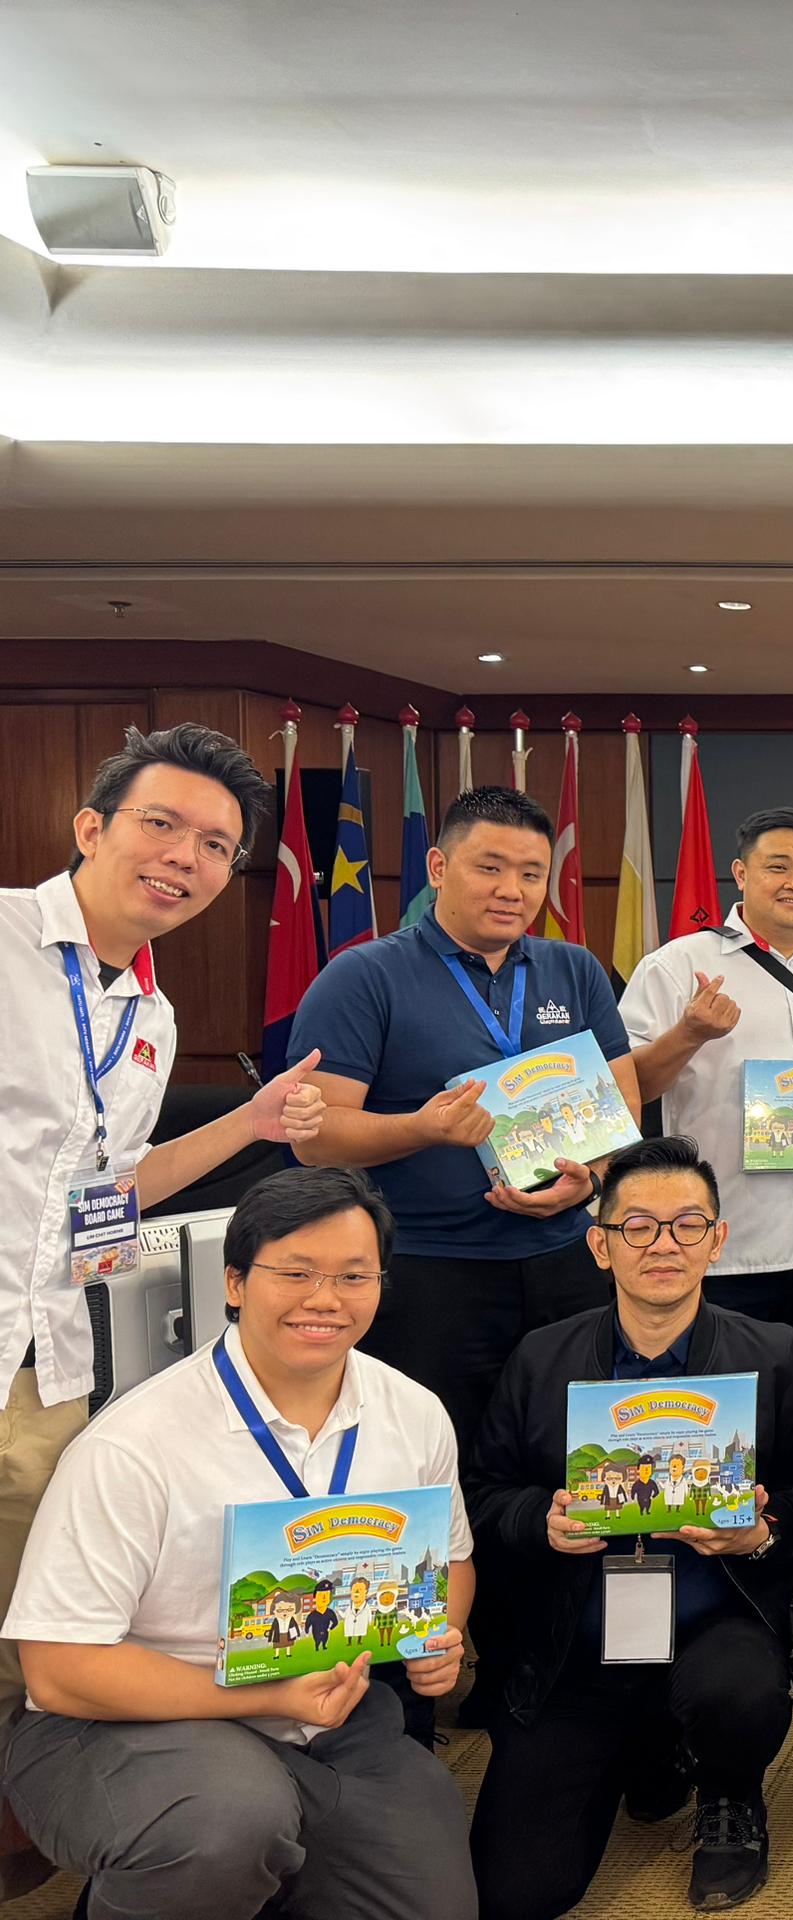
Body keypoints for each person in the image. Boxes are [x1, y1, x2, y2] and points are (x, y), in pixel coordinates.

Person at [0, 725, 328, 1873]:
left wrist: (244, 1126)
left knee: (20, 1616)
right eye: (162, 825)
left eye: (216, 847)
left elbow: (113, 1191)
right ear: (90, 828)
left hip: (48, 1366)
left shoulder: (152, 1014)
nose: (185, 858)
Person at [1, 1166, 474, 1919]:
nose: (326, 1299)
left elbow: (450, 1557)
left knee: (433, 1903)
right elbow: (57, 1671)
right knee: (223, 1829)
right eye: (296, 1272)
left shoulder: (413, 1412)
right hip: (123, 1725)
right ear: (233, 1281)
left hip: (333, 1719)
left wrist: (436, 1633)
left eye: (355, 1275)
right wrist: (266, 1694)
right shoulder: (133, 1443)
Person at [464, 1136, 793, 1918]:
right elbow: (485, 1493)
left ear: (718, 1240)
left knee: (738, 1688)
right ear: (600, 1245)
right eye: (638, 1227)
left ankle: (730, 1792)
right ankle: (649, 1749)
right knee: (517, 1892)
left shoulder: (775, 1354)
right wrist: (541, 1520)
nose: (664, 1245)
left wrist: (757, 1534)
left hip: (715, 1626)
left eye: (688, 1225)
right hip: (576, 1644)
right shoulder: (540, 1359)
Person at [290, 784, 640, 1458]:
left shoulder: (575, 970)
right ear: (438, 868)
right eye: (490, 867)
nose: (512, 889)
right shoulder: (363, 976)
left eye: (531, 874)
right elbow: (314, 1139)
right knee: (442, 1453)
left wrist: (591, 1181)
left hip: (566, 1259)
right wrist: (421, 1129)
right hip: (428, 1271)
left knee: (575, 1449)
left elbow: (621, 1113)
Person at [621, 806, 793, 1379]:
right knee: (727, 1420)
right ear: (741, 874)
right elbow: (630, 1086)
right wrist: (690, 1032)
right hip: (726, 1242)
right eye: (778, 866)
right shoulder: (678, 966)